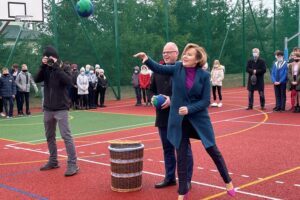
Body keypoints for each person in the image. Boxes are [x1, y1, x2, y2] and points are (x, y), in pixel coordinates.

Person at [134, 43, 235, 200]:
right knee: (181, 155)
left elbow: (205, 101)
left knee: (212, 150)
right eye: (185, 53)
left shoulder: (204, 75)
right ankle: (182, 193)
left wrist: (189, 109)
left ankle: (228, 182)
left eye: (189, 54)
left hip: (198, 118)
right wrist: (146, 59)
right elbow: (159, 68)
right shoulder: (177, 68)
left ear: (197, 59)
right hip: (179, 121)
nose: (185, 56)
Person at [150, 42, 193, 189]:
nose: (166, 55)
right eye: (164, 53)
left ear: (177, 53)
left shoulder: (185, 69)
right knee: (167, 148)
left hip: (180, 117)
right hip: (162, 117)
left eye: (169, 52)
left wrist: (171, 99)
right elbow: (151, 90)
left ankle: (186, 180)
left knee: (183, 149)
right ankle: (170, 177)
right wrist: (152, 98)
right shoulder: (157, 71)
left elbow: (190, 93)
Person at [34, 45, 79, 176]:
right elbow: (37, 79)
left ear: (55, 57)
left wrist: (56, 67)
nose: (49, 60)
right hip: (48, 108)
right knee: (49, 136)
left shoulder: (64, 67)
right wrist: (42, 66)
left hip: (61, 108)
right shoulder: (46, 68)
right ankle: (53, 161)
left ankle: (72, 164)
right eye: (46, 57)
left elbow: (69, 81)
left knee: (66, 136)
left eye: (50, 57)